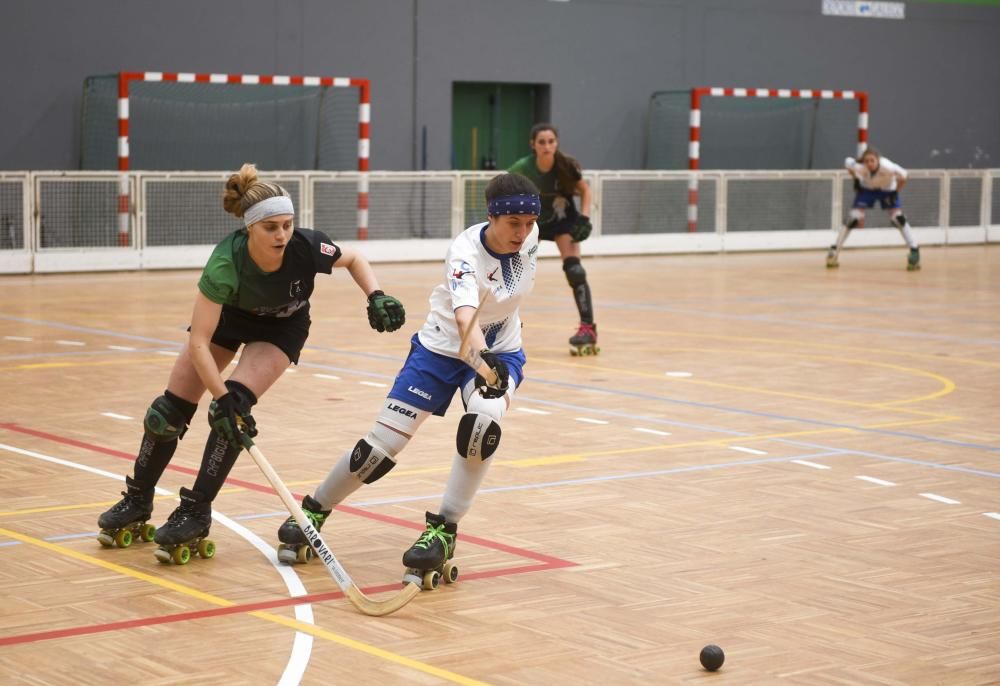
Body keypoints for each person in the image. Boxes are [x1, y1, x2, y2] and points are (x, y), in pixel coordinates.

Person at [95, 163, 406, 564]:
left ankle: (195, 510)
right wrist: (218, 394)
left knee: (233, 414)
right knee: (166, 414)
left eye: (287, 225)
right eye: (270, 227)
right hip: (229, 320)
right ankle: (137, 500)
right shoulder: (226, 262)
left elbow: (354, 258)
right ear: (250, 228)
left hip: (282, 328)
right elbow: (200, 342)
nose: (281, 235)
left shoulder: (306, 246)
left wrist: (376, 295)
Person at [276, 173, 540, 587]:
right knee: (378, 451)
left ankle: (443, 529)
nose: (522, 234)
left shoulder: (531, 233)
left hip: (502, 348)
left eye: (529, 224)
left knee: (483, 423)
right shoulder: (464, 255)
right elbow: (465, 323)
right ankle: (314, 508)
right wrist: (483, 361)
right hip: (443, 349)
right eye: (513, 225)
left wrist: (495, 366)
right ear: (491, 216)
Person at [508, 123, 599, 355]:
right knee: (511, 269)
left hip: (563, 221)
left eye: (551, 142)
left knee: (575, 271)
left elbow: (585, 191)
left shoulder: (566, 166)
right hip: (533, 221)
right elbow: (504, 189)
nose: (547, 146)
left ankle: (588, 328)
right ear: (533, 145)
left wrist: (585, 219)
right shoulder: (522, 168)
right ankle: (498, 325)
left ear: (556, 143)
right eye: (541, 142)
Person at [827, 147, 921, 271]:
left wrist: (895, 192)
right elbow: (848, 162)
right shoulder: (860, 166)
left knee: (898, 218)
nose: (869, 164)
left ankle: (914, 250)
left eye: (872, 160)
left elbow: (904, 175)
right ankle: (834, 251)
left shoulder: (888, 166)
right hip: (868, 190)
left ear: (878, 160)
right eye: (866, 161)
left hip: (887, 190)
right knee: (852, 218)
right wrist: (856, 179)